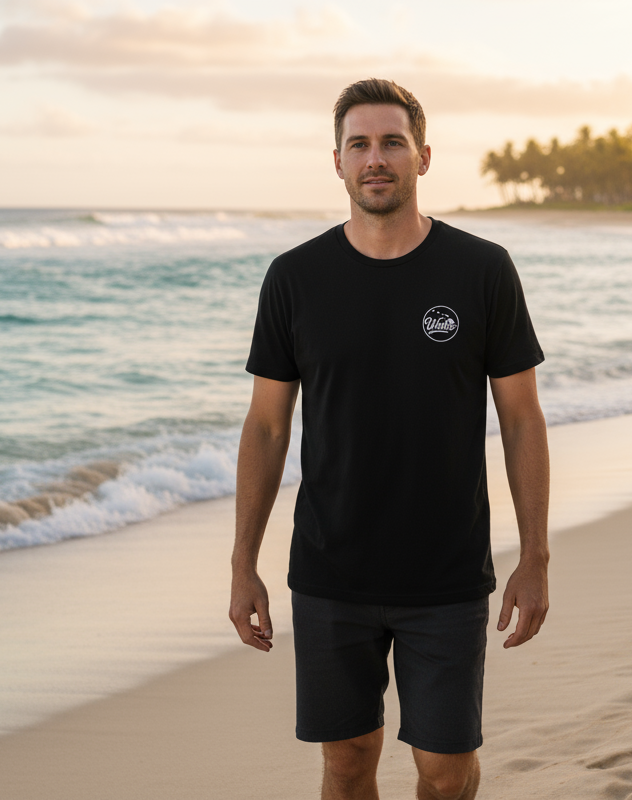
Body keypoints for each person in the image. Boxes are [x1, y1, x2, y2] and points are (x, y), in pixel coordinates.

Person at [229, 78, 550, 800]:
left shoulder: (481, 270)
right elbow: (267, 424)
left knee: (444, 774)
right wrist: (242, 562)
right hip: (329, 573)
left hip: (446, 575)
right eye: (360, 145)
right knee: (346, 761)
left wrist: (536, 557)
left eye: (392, 143)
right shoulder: (294, 279)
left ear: (423, 157)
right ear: (337, 162)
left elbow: (522, 418)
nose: (376, 158)